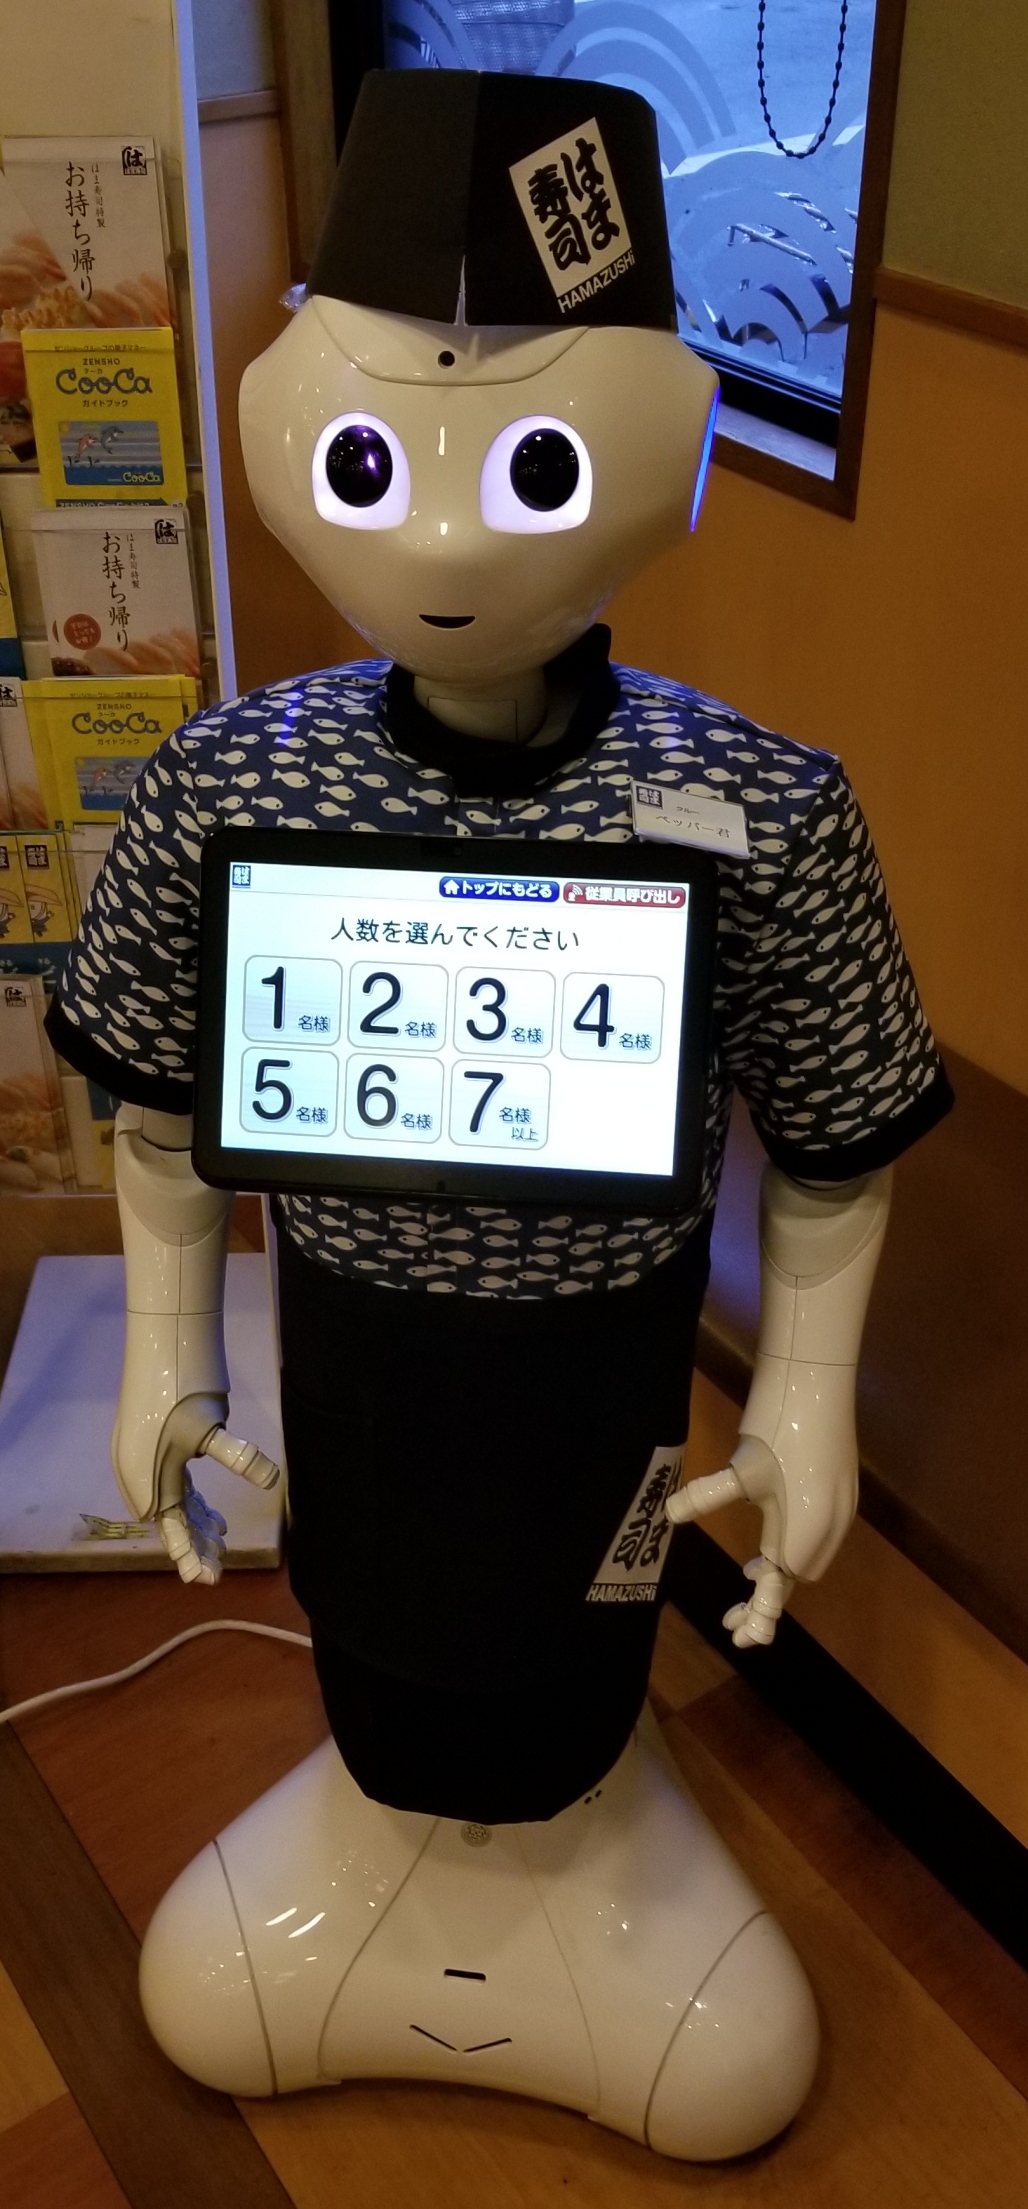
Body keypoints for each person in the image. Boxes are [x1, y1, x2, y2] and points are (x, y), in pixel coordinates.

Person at [46, 70, 950, 2155]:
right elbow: (161, 1106)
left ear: (661, 446)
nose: (447, 536)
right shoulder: (226, 786)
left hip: (602, 1363)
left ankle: (576, 1813)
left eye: (530, 461)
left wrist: (804, 1392)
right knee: (373, 1606)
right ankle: (392, 1813)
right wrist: (172, 1347)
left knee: (569, 1626)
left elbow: (835, 1138)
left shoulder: (758, 806)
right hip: (351, 1348)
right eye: (378, 459)